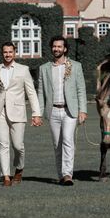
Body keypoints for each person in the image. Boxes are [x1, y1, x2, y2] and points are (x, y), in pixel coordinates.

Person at [0, 41, 42, 186]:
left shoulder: (23, 70)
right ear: (2, 53)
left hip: (18, 111)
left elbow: (31, 93)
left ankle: (19, 168)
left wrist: (36, 114)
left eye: (10, 52)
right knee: (3, 145)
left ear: (14, 53)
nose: (8, 54)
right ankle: (5, 176)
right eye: (5, 52)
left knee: (18, 146)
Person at [37, 35, 87, 186]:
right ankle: (60, 174)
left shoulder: (76, 66)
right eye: (54, 46)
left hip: (69, 111)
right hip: (53, 111)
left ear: (65, 49)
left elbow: (81, 89)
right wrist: (38, 113)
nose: (56, 49)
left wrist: (83, 110)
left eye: (59, 46)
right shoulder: (44, 68)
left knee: (67, 141)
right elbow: (40, 92)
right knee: (57, 145)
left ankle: (67, 174)